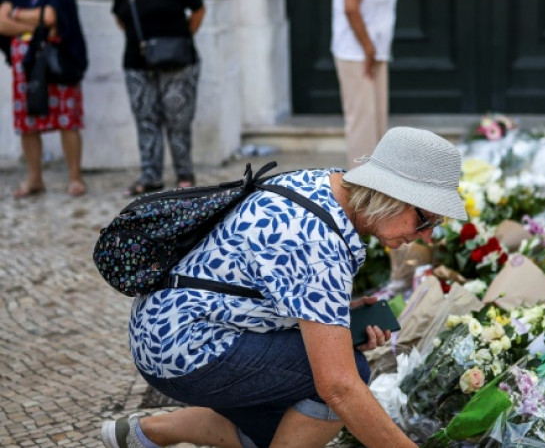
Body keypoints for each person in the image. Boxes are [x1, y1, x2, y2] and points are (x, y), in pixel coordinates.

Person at [101, 126, 468, 448]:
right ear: (392, 194)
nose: (429, 237)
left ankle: (149, 433)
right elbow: (338, 388)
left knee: (288, 429)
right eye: (425, 220)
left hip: (163, 324)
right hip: (183, 348)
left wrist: (338, 313)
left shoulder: (327, 185)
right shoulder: (317, 243)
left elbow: (270, 280)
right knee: (347, 378)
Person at [111, 0, 205, 196]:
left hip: (178, 63)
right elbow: (121, 19)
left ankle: (185, 175)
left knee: (179, 121)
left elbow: (198, 10)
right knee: (146, 120)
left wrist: (180, 40)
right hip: (138, 64)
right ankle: (151, 176)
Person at [0, 0, 88, 197]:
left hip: (57, 62)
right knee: (27, 122)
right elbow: (0, 22)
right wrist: (37, 23)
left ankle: (75, 177)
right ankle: (35, 178)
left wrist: (15, 14)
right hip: (24, 67)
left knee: (66, 119)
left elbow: (52, 17)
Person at [331, 0, 405, 166]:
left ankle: (376, 187)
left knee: (376, 124)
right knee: (362, 124)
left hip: (372, 54)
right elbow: (351, 8)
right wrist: (368, 47)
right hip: (357, 54)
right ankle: (360, 190)